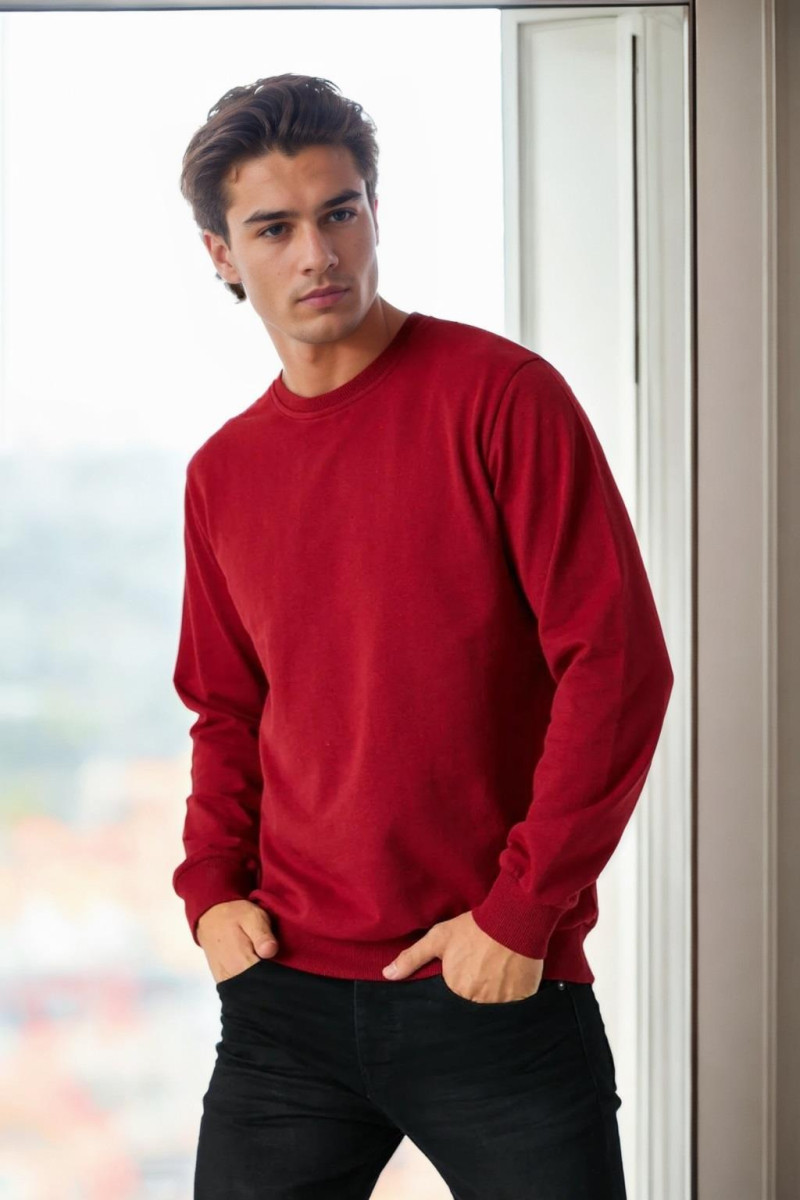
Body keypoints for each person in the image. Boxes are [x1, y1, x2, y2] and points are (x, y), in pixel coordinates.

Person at [171, 72, 674, 1200]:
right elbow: (227, 710)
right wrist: (210, 894)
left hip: (490, 982)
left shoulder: (503, 398)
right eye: (275, 228)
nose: (318, 254)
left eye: (340, 212)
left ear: (373, 213)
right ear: (221, 254)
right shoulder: (223, 473)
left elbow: (617, 669)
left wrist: (521, 915)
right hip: (285, 1000)